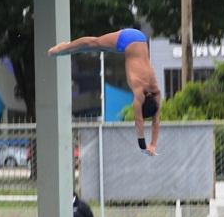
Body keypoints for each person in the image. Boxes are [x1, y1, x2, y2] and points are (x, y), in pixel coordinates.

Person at [48, 28, 161, 156]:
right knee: (94, 43)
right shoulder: (139, 92)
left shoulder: (156, 91)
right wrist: (143, 147)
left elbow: (156, 120)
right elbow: (139, 121)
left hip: (140, 39)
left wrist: (153, 144)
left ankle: (68, 49)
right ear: (142, 104)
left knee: (99, 46)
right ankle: (64, 47)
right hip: (127, 39)